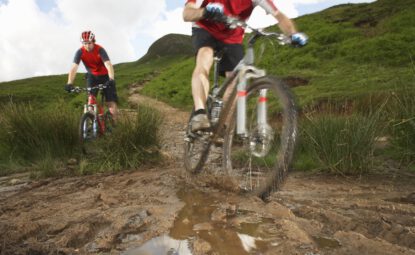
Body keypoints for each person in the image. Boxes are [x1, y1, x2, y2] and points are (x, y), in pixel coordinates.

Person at [183, 0, 308, 132]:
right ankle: (200, 113)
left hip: (232, 36)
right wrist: (205, 12)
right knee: (204, 56)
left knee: (236, 79)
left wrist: (292, 33)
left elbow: (279, 16)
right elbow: (187, 13)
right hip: (205, 28)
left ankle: (222, 127)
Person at [65, 31, 118, 119]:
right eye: (85, 43)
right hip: (92, 76)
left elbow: (108, 64)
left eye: (89, 43)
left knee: (110, 103)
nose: (87, 45)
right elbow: (74, 68)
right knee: (90, 101)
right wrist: (69, 83)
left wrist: (111, 79)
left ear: (93, 41)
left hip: (106, 76)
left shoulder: (100, 49)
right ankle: (88, 126)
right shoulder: (80, 52)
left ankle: (115, 125)